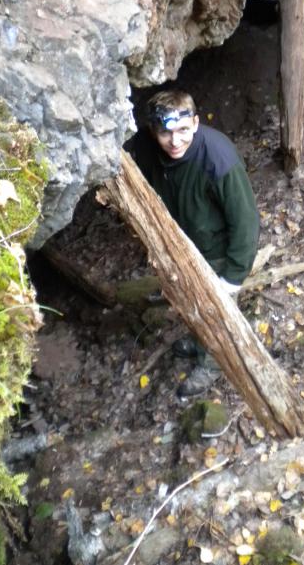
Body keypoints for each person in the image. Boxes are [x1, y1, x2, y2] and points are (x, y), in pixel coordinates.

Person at [125, 90, 260, 396]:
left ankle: (213, 363)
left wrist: (233, 277)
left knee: (216, 312)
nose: (175, 141)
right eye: (166, 133)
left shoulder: (218, 160)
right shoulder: (145, 147)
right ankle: (201, 341)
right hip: (181, 245)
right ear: (153, 131)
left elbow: (245, 222)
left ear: (196, 123)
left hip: (217, 250)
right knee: (193, 304)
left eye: (184, 130)